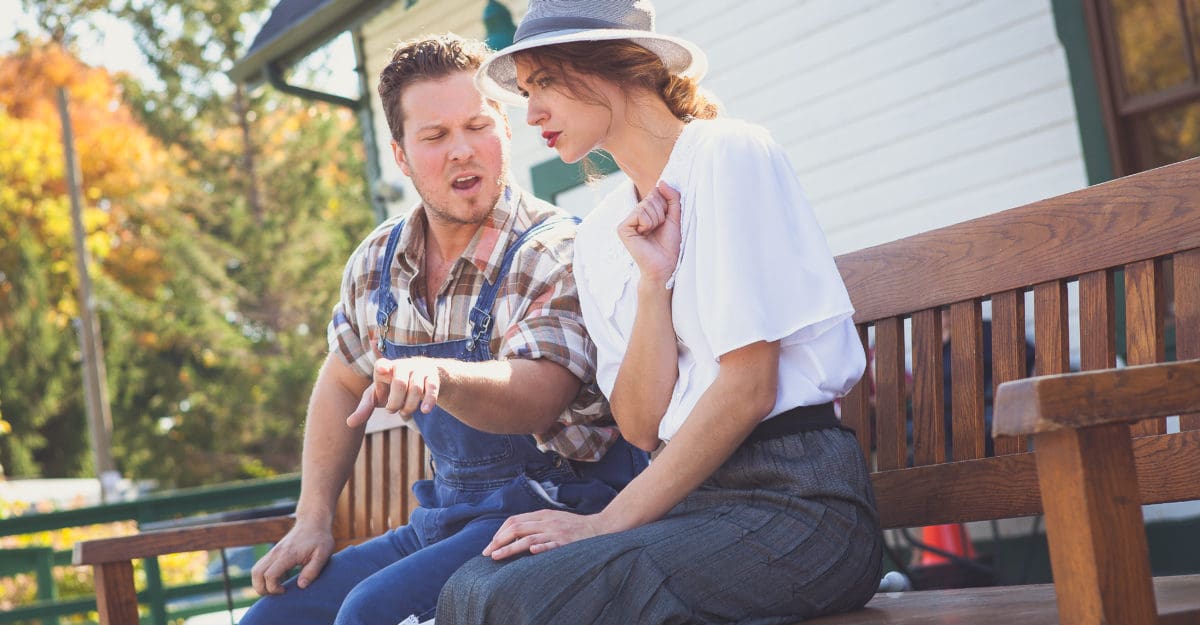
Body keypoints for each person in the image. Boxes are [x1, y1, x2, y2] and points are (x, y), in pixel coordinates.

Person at [436, 2, 884, 624]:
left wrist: (605, 523)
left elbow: (750, 387)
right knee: (473, 587)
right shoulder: (599, 236)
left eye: (543, 85)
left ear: (612, 66)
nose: (531, 112)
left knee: (525, 600)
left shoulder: (727, 153)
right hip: (689, 502)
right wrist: (654, 283)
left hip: (801, 506)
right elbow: (643, 427)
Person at [241, 33, 647, 625]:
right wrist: (312, 519)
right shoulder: (377, 262)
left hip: (556, 511)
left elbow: (538, 395)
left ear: (506, 132)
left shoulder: (556, 250)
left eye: (478, 126)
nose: (463, 150)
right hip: (447, 517)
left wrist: (439, 375)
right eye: (435, 136)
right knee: (273, 620)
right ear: (401, 156)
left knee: (368, 614)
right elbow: (339, 382)